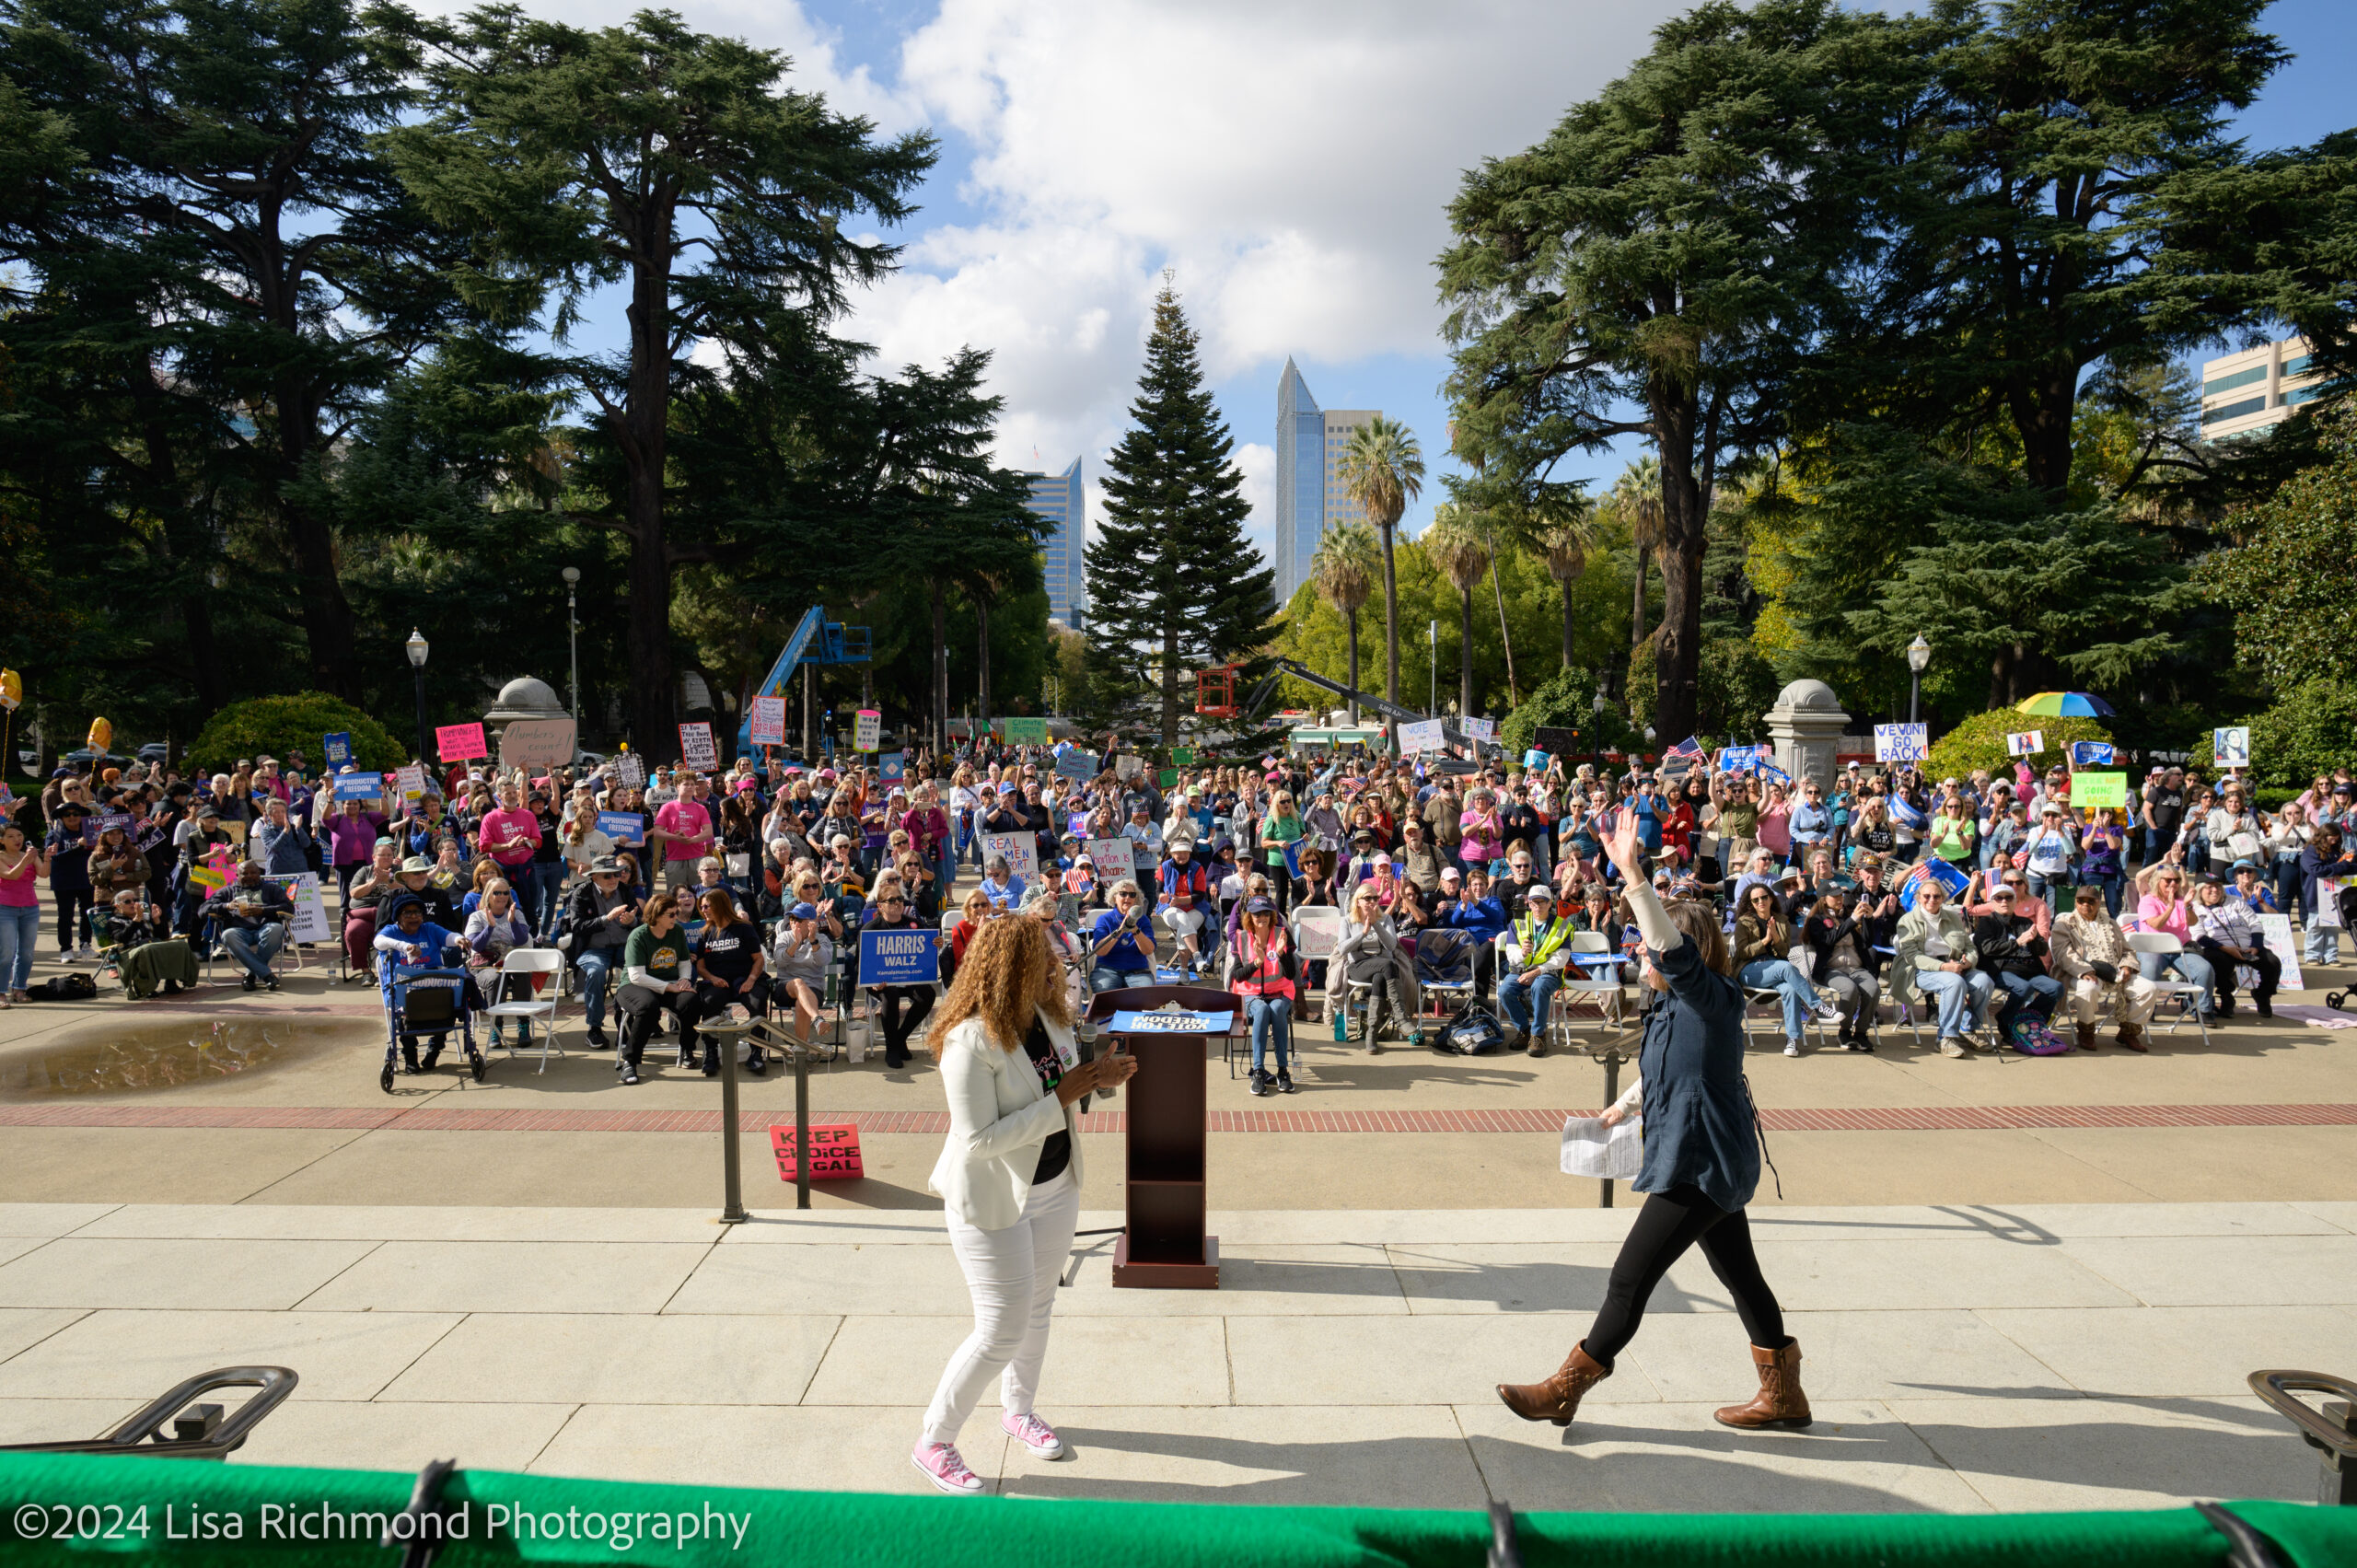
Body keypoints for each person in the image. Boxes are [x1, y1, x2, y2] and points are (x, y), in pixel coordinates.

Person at [1496, 807, 1805, 1434]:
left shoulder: (1713, 997)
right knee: (1742, 1276)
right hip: (1701, 1156)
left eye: (1647, 943)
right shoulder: (1666, 1005)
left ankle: (1565, 1387)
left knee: (1628, 1279)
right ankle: (1784, 1395)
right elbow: (1666, 1069)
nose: (1638, 950)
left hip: (1700, 1162)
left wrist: (1634, 876)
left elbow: (1675, 950)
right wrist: (1622, 1106)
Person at [914, 916, 1137, 1494]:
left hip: (1056, 1183)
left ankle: (1018, 1412)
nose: (1055, 963)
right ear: (1009, 967)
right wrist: (1062, 1095)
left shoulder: (1048, 1017)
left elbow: (1068, 1087)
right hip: (993, 1198)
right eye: (1042, 956)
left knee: (1038, 1311)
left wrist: (1101, 1077)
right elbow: (979, 1140)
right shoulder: (968, 1039)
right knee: (999, 1329)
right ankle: (934, 1440)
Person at [372, 892, 481, 1074]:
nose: (414, 916)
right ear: (398, 916)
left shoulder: (429, 929)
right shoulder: (391, 931)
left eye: (417, 912)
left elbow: (448, 937)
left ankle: (434, 1050)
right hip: (404, 987)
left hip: (433, 983)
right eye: (408, 913)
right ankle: (410, 1057)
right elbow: (378, 942)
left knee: (451, 1003)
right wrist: (404, 946)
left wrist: (458, 939)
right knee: (402, 1013)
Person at [1734, 882, 1839, 1057]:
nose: (1760, 902)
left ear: (1770, 898)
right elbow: (1743, 952)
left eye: (1764, 897)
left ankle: (1792, 1040)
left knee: (1790, 989)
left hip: (1776, 967)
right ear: (1751, 903)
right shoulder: (1743, 923)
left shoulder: (1781, 920)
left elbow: (1784, 953)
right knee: (1787, 967)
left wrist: (1775, 936)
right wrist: (1765, 941)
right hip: (1749, 970)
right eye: (1755, 900)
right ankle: (1818, 1006)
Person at [2051, 884, 2157, 1051]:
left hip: (2114, 971)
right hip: (2079, 972)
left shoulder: (2111, 923)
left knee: (2149, 988)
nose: (2086, 905)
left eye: (2091, 901)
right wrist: (2083, 970)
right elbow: (2063, 954)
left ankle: (2128, 1032)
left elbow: (2128, 951)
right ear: (2076, 903)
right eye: (2081, 901)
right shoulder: (2064, 924)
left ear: (2098, 902)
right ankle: (2086, 1031)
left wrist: (2127, 967)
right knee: (2088, 989)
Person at [1894, 878, 1993, 1058]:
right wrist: (1943, 967)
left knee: (1984, 981)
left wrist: (1968, 962)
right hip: (1920, 969)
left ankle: (1966, 1028)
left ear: (1943, 898)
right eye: (1926, 896)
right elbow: (1912, 957)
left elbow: (1969, 947)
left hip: (1955, 964)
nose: (1931, 899)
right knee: (1954, 983)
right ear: (1918, 898)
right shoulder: (1906, 921)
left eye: (1936, 896)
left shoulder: (1952, 917)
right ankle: (1946, 1038)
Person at [613, 893, 700, 1084]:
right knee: (648, 1007)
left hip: (669, 984)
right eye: (671, 914)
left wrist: (684, 979)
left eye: (676, 913)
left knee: (691, 1000)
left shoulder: (676, 931)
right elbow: (637, 976)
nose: (675, 918)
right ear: (657, 915)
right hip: (634, 986)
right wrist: (669, 987)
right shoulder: (639, 936)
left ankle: (687, 1049)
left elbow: (685, 961)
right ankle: (630, 1062)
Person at [1331, 879, 1422, 1053]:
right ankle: (1401, 1019)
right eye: (1368, 898)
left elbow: (1391, 946)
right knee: (1387, 965)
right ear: (1358, 901)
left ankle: (1372, 1034)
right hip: (1358, 967)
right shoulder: (1347, 921)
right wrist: (1364, 932)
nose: (1372, 902)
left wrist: (1376, 924)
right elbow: (1342, 949)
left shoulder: (1385, 919)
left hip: (1382, 968)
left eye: (1375, 898)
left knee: (1381, 976)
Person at [562, 857, 640, 1050]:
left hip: (624, 946)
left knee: (638, 970)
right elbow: (577, 926)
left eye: (617, 874)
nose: (614, 879)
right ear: (595, 877)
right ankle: (594, 1027)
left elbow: (640, 920)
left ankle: (635, 1021)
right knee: (596, 973)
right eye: (608, 875)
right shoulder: (582, 893)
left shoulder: (625, 890)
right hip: (594, 948)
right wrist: (606, 918)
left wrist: (632, 920)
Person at [1972, 882, 2061, 1046]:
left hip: (2030, 969)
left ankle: (2027, 1020)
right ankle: (2007, 1023)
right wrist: (2018, 942)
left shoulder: (2025, 922)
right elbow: (1987, 948)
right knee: (2023, 988)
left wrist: (2034, 940)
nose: (2004, 901)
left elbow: (2041, 951)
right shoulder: (1987, 922)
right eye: (1998, 898)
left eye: (2008, 897)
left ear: (2015, 901)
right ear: (1992, 902)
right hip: (2002, 969)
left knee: (2055, 988)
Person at [1228, 895, 1299, 1097]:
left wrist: (1282, 954)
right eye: (1257, 913)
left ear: (1272, 915)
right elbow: (1238, 976)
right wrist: (1257, 963)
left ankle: (1283, 1071)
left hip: (1280, 992)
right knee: (1261, 1009)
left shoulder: (1282, 934)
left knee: (1276, 1009)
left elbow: (1291, 974)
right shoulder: (1242, 938)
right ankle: (1258, 1071)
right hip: (1250, 994)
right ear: (1249, 916)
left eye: (1266, 913)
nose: (1262, 917)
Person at [1496, 883, 1575, 1056]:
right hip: (1520, 970)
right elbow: (1511, 955)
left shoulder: (1561, 925)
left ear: (1549, 903)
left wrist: (1537, 971)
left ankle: (1538, 1035)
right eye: (1533, 902)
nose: (1537, 906)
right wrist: (1523, 953)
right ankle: (1525, 1030)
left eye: (1542, 902)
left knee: (1539, 987)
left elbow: (1561, 958)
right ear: (1528, 904)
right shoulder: (1518, 923)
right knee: (1504, 992)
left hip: (1548, 973)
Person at [863, 888, 937, 1069]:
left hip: (908, 977)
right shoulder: (870, 929)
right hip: (880, 982)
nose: (897, 903)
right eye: (891, 900)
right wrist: (873, 984)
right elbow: (863, 962)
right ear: (880, 906)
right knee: (891, 995)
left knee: (927, 994)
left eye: (900, 899)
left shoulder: (914, 924)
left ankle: (900, 1038)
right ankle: (891, 1049)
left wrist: (935, 945)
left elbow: (925, 955)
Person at [1799, 884, 1878, 1051]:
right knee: (1849, 989)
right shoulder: (1816, 920)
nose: (1840, 899)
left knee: (1873, 989)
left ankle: (1861, 1033)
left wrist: (1869, 920)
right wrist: (1852, 921)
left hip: (1856, 967)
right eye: (1835, 896)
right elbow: (1829, 939)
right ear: (1823, 899)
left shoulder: (1849, 916)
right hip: (1829, 969)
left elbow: (1867, 943)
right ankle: (1844, 1031)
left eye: (1841, 896)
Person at [2193, 877, 2280, 1021]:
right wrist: (2226, 948)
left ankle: (2262, 994)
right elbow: (2199, 936)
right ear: (2200, 890)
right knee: (2216, 960)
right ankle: (2226, 997)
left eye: (2218, 886)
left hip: (2248, 946)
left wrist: (2256, 946)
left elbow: (2255, 924)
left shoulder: (2236, 901)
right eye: (2209, 887)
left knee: (2273, 962)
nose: (2215, 890)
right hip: (2219, 947)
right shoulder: (2194, 907)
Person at [2135, 865, 2215, 1019]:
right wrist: (2170, 907)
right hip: (2152, 948)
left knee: (2205, 970)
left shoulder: (2181, 900)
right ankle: (2148, 1008)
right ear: (2158, 881)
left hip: (2180, 949)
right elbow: (2156, 924)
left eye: (2177, 880)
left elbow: (2192, 922)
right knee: (2150, 970)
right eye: (2168, 880)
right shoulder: (2148, 900)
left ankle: (2202, 1009)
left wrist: (2186, 906)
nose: (2173, 884)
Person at [202, 861, 293, 992]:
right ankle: (266, 975)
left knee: (276, 929)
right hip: (239, 931)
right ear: (237, 875)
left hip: (265, 928)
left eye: (253, 872)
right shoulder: (228, 891)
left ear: (259, 873)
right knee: (228, 935)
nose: (249, 876)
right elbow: (202, 910)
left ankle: (250, 975)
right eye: (244, 873)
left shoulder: (272, 889)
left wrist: (263, 910)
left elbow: (288, 908)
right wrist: (226, 906)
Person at [95, 889, 196, 999]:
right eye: (127, 901)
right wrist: (136, 920)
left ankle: (171, 982)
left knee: (180, 945)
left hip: (151, 946)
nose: (133, 903)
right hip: (129, 952)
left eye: (135, 900)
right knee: (147, 949)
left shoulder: (146, 917)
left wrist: (157, 920)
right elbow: (122, 938)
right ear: (118, 906)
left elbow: (162, 937)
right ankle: (146, 987)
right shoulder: (114, 922)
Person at [771, 903, 836, 1050]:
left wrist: (813, 941)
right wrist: (795, 943)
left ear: (812, 923)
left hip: (813, 989)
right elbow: (779, 961)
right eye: (792, 918)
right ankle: (817, 1020)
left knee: (802, 1005)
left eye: (798, 919)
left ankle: (801, 1049)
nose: (793, 922)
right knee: (798, 982)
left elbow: (823, 961)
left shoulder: (822, 939)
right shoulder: (783, 937)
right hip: (785, 987)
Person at [0, 822, 46, 1006]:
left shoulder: (28, 855)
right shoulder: (1, 857)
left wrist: (48, 858)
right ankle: (1, 992)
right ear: (2, 840)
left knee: (26, 952)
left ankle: (19, 988)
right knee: (6, 953)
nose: (17, 839)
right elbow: (11, 875)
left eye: (19, 835)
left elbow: (43, 873)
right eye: (10, 836)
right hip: (5, 908)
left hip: (30, 908)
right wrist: (26, 860)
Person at [1087, 881, 1156, 992]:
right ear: (1115, 898)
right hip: (1107, 970)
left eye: (1132, 895)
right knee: (1105, 993)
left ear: (1136, 900)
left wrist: (1135, 929)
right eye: (1123, 894)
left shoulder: (1143, 920)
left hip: (1137, 971)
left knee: (1145, 995)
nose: (1128, 897)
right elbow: (1099, 951)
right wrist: (1120, 930)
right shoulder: (1104, 919)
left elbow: (1149, 950)